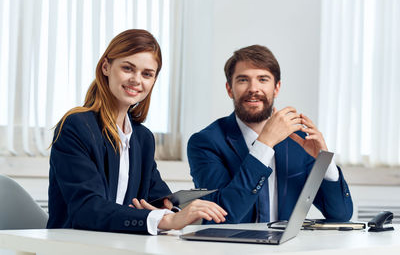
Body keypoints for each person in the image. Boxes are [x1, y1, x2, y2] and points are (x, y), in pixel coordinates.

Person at [47, 29, 227, 235]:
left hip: (119, 245)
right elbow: (87, 209)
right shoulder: (77, 126)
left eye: (147, 74)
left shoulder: (142, 138)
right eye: (127, 68)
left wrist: (171, 209)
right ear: (106, 67)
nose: (136, 80)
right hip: (73, 245)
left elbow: (158, 197)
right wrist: (165, 221)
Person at [187, 45, 353, 224]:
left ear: (276, 88)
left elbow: (340, 214)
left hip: (287, 250)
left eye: (263, 79)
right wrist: (264, 145)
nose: (253, 88)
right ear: (229, 89)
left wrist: (324, 162)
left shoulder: (299, 141)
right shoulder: (205, 142)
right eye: (243, 80)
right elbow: (223, 216)